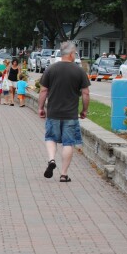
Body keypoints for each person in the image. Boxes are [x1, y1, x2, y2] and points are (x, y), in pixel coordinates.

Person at [38, 41, 90, 183]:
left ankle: (51, 160)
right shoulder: (79, 71)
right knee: (68, 143)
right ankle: (63, 174)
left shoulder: (51, 69)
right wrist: (84, 110)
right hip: (70, 115)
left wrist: (41, 108)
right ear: (72, 54)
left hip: (53, 112)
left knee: (50, 138)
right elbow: (85, 93)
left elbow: (43, 90)